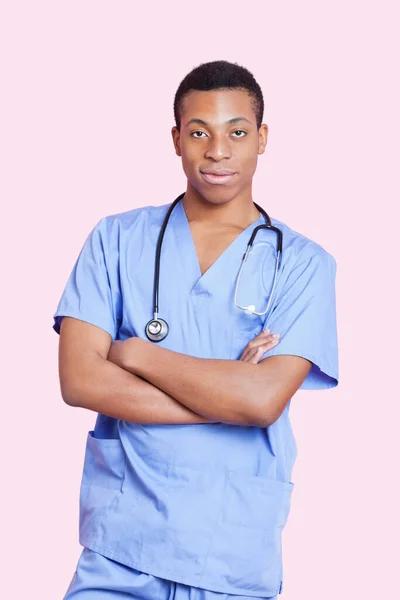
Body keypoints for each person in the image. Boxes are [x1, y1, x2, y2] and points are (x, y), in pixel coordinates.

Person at [53, 60, 339, 600]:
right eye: (199, 132)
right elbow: (80, 381)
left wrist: (135, 353)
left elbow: (261, 402)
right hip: (120, 547)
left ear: (262, 138)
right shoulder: (116, 240)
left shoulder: (302, 264)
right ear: (176, 139)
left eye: (237, 132)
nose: (218, 151)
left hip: (230, 551)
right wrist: (227, 390)